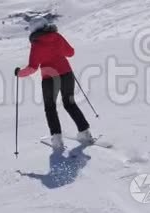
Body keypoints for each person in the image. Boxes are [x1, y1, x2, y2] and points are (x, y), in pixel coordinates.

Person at [15, 17, 93, 150]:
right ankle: (85, 133)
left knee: (50, 108)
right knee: (70, 103)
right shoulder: (56, 36)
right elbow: (71, 53)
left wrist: (19, 73)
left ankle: (57, 140)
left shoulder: (37, 43)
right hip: (67, 75)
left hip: (49, 80)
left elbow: (33, 68)